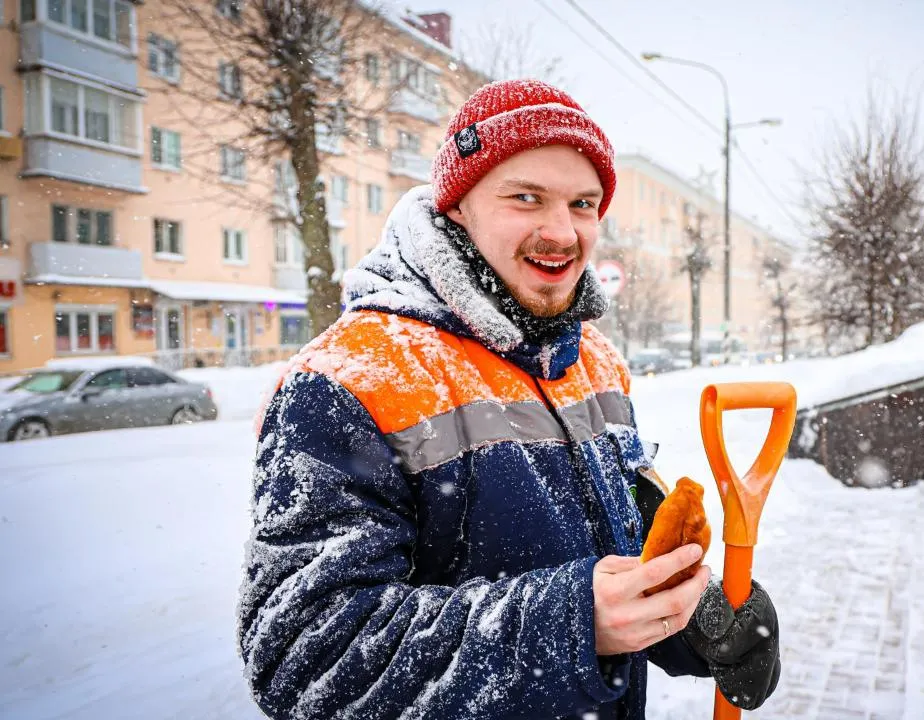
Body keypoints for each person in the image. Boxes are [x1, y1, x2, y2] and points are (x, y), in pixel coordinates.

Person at [237, 79, 781, 720]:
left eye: (583, 204)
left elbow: (624, 543)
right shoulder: (349, 379)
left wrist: (697, 617)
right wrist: (573, 625)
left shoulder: (592, 361)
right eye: (526, 198)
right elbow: (305, 658)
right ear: (458, 204)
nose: (562, 231)